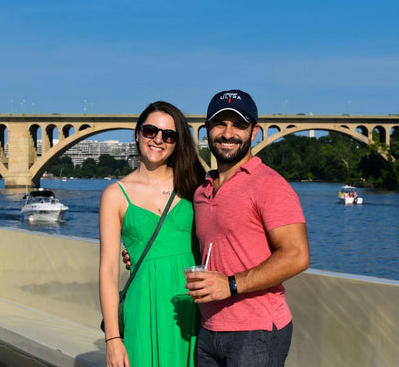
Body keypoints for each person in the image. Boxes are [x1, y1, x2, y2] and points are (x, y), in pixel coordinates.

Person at [185, 89, 310, 366]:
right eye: (220, 123)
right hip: (209, 329)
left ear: (254, 132)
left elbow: (297, 255)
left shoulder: (269, 185)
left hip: (255, 331)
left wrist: (230, 285)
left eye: (239, 125)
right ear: (207, 129)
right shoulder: (201, 191)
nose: (228, 133)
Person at [99, 101, 203, 367]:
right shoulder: (115, 195)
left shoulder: (195, 185)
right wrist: (112, 340)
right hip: (142, 308)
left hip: (191, 309)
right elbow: (108, 272)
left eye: (168, 135)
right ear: (137, 134)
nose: (158, 139)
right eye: (150, 131)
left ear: (178, 142)